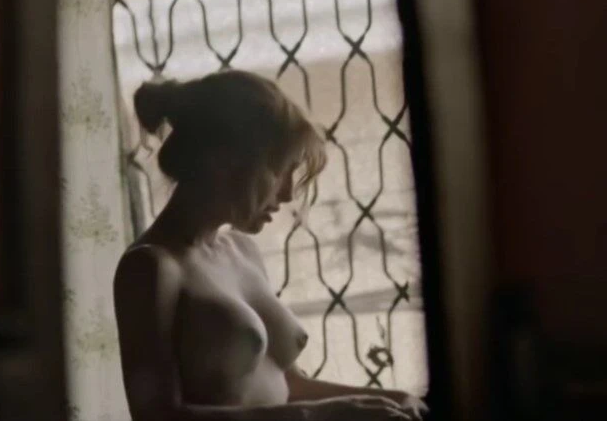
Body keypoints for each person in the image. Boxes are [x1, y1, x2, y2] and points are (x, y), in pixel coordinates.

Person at [112, 70, 427, 421]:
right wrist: (317, 417)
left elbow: (289, 386)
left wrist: (394, 398)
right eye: (281, 170)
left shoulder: (241, 251)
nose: (289, 193)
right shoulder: (150, 268)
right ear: (227, 160)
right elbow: (156, 416)